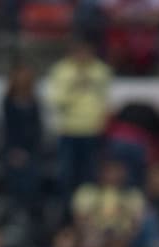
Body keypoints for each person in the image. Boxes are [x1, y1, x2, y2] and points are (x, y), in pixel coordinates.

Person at [46, 38, 113, 194]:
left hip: (93, 130)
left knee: (90, 173)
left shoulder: (101, 71)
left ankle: (87, 205)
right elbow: (55, 100)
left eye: (87, 51)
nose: (83, 55)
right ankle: (65, 205)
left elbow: (105, 100)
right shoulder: (61, 70)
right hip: (68, 130)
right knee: (66, 173)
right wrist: (74, 87)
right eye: (80, 51)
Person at [1, 62, 43, 209]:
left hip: (31, 148)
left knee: (31, 183)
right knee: (16, 181)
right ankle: (16, 211)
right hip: (14, 149)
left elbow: (36, 127)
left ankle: (30, 211)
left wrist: (32, 148)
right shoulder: (8, 101)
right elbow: (9, 128)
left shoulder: (34, 101)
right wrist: (14, 149)